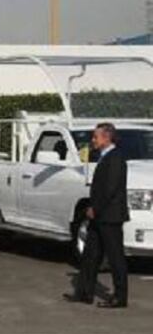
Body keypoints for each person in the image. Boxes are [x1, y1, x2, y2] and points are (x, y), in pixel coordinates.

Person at [66, 122, 129, 308]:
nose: (93, 140)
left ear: (106, 137)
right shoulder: (103, 157)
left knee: (115, 257)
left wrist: (96, 208)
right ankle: (85, 292)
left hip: (110, 216)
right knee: (90, 254)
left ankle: (120, 296)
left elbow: (110, 188)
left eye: (96, 136)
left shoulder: (115, 158)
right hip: (99, 216)